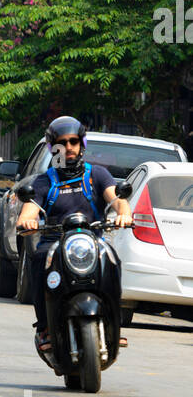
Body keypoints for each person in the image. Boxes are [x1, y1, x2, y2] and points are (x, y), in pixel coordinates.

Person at [18, 116, 132, 354]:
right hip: (54, 244)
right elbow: (28, 211)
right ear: (52, 147)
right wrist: (26, 220)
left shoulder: (97, 175)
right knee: (39, 259)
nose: (68, 147)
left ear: (82, 144)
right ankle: (45, 328)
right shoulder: (43, 182)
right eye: (62, 143)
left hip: (92, 241)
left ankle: (115, 322)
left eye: (73, 141)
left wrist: (124, 214)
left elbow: (118, 200)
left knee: (112, 260)